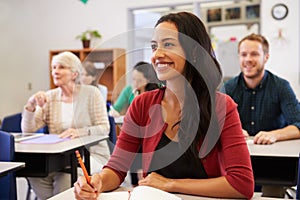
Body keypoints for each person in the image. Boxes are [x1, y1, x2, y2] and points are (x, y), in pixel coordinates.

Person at [74, 12, 254, 199]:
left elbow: (241, 184)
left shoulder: (221, 106)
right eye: (154, 47)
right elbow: (117, 168)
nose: (157, 54)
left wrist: (170, 184)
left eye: (167, 44)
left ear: (193, 51)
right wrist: (98, 181)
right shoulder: (142, 104)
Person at [21, 51, 110, 200]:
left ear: (74, 73)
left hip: (90, 154)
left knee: (66, 179)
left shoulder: (92, 94)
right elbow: (28, 130)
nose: (55, 71)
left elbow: (104, 128)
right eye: (53, 67)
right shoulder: (50, 97)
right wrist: (31, 105)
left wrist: (80, 132)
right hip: (57, 158)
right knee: (36, 175)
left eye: (61, 67)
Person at [221, 33, 300, 197]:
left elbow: (299, 123)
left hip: (275, 164)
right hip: (238, 160)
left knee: (272, 193)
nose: (248, 59)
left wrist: (274, 135)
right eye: (244, 54)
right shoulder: (227, 88)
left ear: (266, 57)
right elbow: (213, 125)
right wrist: (231, 132)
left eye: (255, 54)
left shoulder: (281, 86)